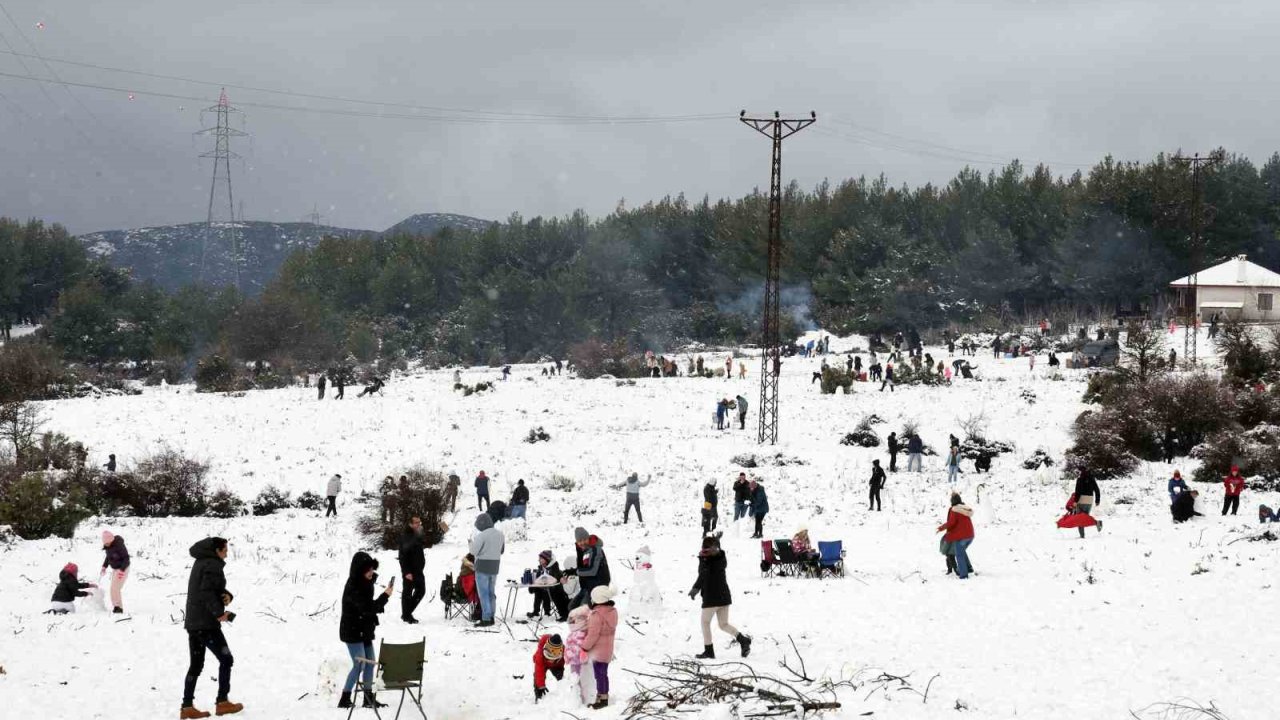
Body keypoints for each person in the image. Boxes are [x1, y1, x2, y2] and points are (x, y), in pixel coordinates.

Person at [181, 537, 241, 718]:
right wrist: (219, 614)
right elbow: (206, 592)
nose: (227, 553)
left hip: (194, 622)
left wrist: (227, 595)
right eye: (225, 550)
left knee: (196, 664)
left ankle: (187, 707)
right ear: (216, 550)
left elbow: (211, 588)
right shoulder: (213, 564)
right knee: (226, 659)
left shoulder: (202, 562)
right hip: (206, 623)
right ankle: (222, 702)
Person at [338, 551, 393, 710]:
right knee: (360, 664)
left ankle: (368, 698)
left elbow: (369, 606)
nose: (371, 573)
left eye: (372, 569)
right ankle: (345, 698)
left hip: (365, 629)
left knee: (370, 664)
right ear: (359, 571)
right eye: (367, 570)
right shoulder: (352, 587)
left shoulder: (365, 582)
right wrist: (385, 596)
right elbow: (367, 607)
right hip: (352, 631)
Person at [688, 535, 752, 660]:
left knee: (705, 623)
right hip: (724, 596)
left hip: (712, 597)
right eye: (704, 548)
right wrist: (712, 550)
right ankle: (743, 640)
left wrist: (695, 589)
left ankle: (709, 651)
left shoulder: (709, 561)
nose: (705, 551)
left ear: (714, 549)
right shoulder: (720, 558)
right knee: (723, 624)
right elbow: (712, 563)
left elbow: (703, 575)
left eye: (708, 549)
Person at [581, 585, 618, 709]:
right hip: (608, 649)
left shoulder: (596, 615)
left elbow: (593, 635)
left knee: (599, 675)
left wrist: (584, 647)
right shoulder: (612, 611)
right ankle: (603, 696)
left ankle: (602, 699)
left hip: (598, 651)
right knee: (603, 674)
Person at [469, 512, 505, 627]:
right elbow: (502, 550)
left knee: (483, 593)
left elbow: (473, 551)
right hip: (495, 566)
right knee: (491, 593)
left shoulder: (482, 535)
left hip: (482, 566)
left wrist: (470, 543)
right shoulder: (500, 534)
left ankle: (486, 618)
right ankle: (492, 616)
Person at [565, 527, 610, 611]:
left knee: (583, 610)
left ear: (588, 538)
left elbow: (592, 571)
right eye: (579, 541)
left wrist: (577, 572)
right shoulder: (584, 550)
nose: (582, 542)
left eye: (584, 539)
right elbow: (582, 567)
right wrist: (573, 571)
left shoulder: (596, 550)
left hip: (597, 586)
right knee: (572, 607)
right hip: (587, 586)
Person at [937, 493, 975, 579]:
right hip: (970, 535)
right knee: (962, 552)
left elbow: (951, 523)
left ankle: (964, 575)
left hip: (961, 537)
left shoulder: (954, 509)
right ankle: (969, 568)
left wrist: (941, 528)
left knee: (959, 555)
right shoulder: (964, 508)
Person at [564, 606, 596, 704]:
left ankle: (584, 697)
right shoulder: (573, 633)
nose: (571, 622)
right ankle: (576, 696)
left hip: (582, 662)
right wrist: (567, 655)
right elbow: (569, 645)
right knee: (575, 679)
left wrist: (571, 653)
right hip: (574, 662)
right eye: (570, 620)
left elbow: (580, 647)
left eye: (573, 620)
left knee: (583, 679)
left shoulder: (583, 633)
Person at [398, 516, 426, 624]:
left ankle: (406, 613)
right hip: (410, 571)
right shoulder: (406, 536)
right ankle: (407, 615)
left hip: (418, 570)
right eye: (416, 523)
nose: (419, 524)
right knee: (407, 593)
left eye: (419, 522)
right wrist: (406, 572)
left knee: (421, 591)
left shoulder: (416, 534)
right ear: (410, 524)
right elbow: (402, 556)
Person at [529, 550, 569, 621]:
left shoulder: (555, 568)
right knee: (538, 591)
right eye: (539, 558)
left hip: (554, 591)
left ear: (547, 559)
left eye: (541, 558)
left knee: (546, 592)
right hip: (545, 590)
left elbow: (556, 579)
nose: (539, 560)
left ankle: (549, 612)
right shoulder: (540, 569)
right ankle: (536, 612)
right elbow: (538, 580)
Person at [100, 530, 130, 614]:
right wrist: (104, 567)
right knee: (113, 589)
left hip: (123, 568)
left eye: (107, 543)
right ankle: (116, 607)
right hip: (115, 569)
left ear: (111, 540)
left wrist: (122, 570)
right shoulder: (108, 547)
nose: (105, 544)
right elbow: (108, 557)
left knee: (115, 588)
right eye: (104, 543)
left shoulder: (119, 546)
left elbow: (126, 558)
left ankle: (118, 608)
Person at [532, 634, 566, 701]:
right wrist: (541, 686)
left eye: (552, 659)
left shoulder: (564, 651)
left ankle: (564, 694)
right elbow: (539, 671)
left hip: (557, 665)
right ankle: (539, 695)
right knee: (537, 679)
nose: (550, 660)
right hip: (543, 663)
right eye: (549, 658)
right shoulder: (540, 656)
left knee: (562, 678)